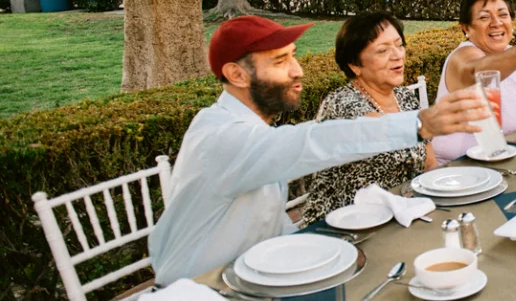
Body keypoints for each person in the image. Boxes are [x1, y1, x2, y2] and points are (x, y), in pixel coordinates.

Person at [149, 16, 489, 285]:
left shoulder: (251, 131)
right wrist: (418, 125)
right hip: (196, 293)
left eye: (293, 57)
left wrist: (317, 249)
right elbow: (312, 141)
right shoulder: (220, 137)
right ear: (236, 74)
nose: (298, 71)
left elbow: (266, 223)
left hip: (250, 279)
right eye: (280, 61)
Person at [300, 12, 434, 227]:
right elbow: (381, 129)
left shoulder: (404, 97)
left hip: (399, 217)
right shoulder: (342, 105)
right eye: (382, 50)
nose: (397, 55)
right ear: (355, 65)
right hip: (343, 227)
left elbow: (430, 163)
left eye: (399, 45)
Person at [432, 0, 516, 164]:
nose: (496, 23)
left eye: (503, 14)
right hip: (460, 172)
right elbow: (475, 73)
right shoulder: (462, 57)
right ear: (466, 28)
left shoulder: (513, 58)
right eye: (484, 17)